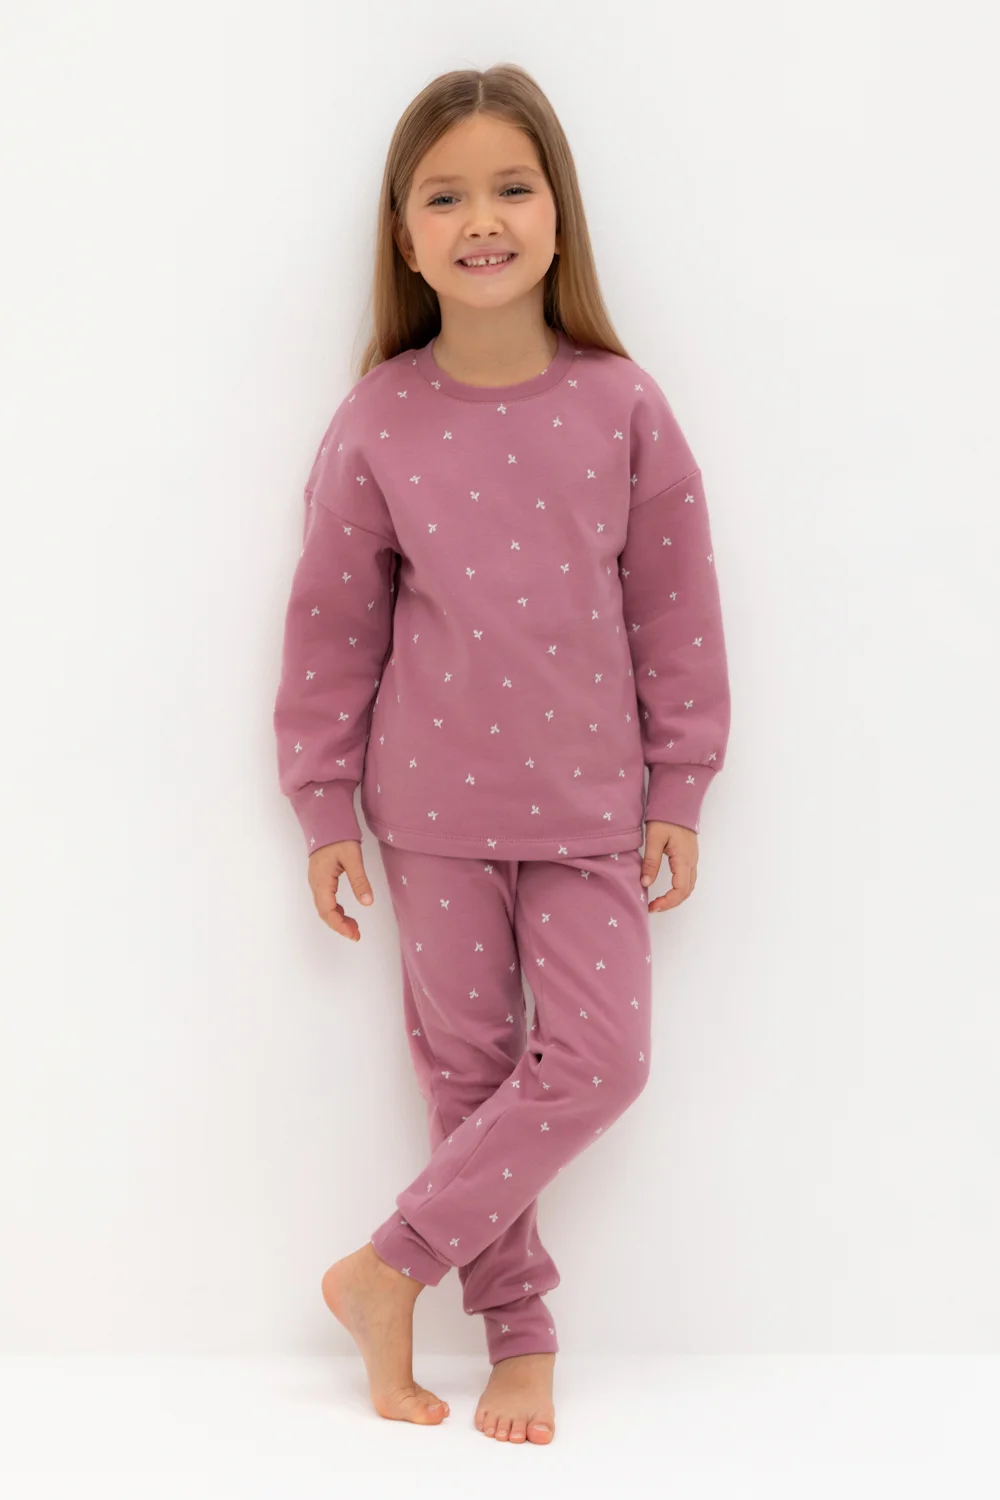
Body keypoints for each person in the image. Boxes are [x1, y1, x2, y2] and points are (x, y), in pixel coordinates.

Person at [272, 63, 731, 1446]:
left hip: (591, 808)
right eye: (446, 196)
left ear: (557, 214)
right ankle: (518, 1337)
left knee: (600, 1062)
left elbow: (675, 610)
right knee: (468, 1079)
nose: (483, 219)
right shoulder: (378, 419)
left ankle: (387, 1268)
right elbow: (331, 628)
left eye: (512, 188)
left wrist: (681, 784)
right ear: (405, 237)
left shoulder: (624, 405)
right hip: (428, 811)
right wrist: (323, 806)